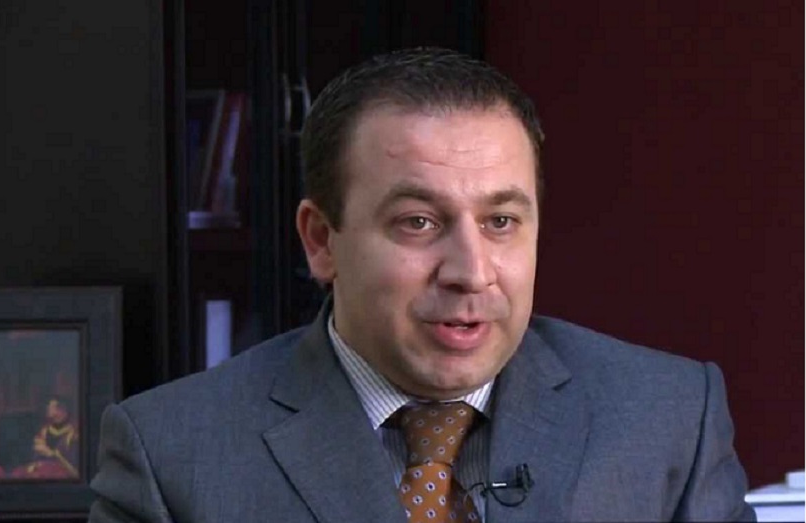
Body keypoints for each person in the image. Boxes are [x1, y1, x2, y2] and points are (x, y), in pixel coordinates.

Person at [88, 48, 754, 522]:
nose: (470, 271)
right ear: (321, 240)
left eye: (500, 221)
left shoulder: (666, 420)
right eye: (418, 222)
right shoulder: (171, 456)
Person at [10, 396, 79, 479]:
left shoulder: (74, 434)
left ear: (67, 410)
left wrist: (52, 454)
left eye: (58, 409)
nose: (53, 413)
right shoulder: (44, 430)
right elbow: (35, 457)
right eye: (51, 409)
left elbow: (75, 470)